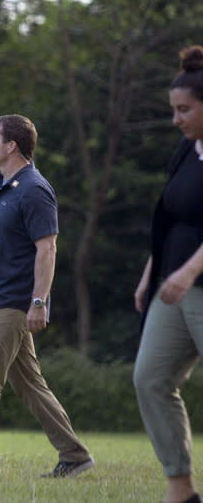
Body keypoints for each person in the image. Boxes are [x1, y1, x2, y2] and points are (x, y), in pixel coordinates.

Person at [0, 113, 93, 478]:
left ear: (11, 145)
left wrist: (38, 301)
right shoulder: (1, 187)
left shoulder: (34, 188)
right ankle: (75, 455)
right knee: (30, 385)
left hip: (15, 301)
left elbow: (47, 249)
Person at [133, 45, 203, 503]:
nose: (176, 119)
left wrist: (191, 269)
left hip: (194, 281)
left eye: (185, 110)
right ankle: (181, 490)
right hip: (173, 286)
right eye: (173, 110)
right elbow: (170, 217)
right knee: (151, 377)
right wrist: (153, 272)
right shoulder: (184, 151)